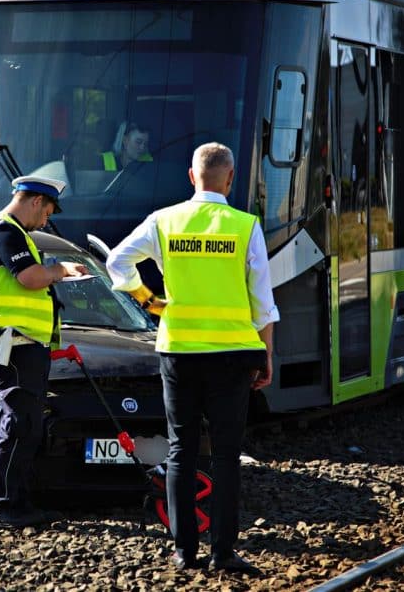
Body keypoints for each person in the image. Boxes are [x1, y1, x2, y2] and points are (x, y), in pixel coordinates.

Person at [105, 142, 279, 573]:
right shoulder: (244, 226)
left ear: (190, 176)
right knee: (225, 453)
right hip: (234, 354)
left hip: (179, 350)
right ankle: (222, 552)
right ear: (231, 178)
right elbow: (263, 302)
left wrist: (147, 298)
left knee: (181, 449)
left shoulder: (164, 221)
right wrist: (266, 353)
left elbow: (116, 261)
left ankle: (184, 551)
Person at [0, 175, 89, 529]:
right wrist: (59, 270)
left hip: (23, 344)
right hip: (13, 343)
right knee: (19, 423)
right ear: (36, 201)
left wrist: (56, 272)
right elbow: (28, 278)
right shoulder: (4, 231)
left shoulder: (16, 234)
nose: (46, 221)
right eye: (47, 211)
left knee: (27, 425)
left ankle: (17, 503)